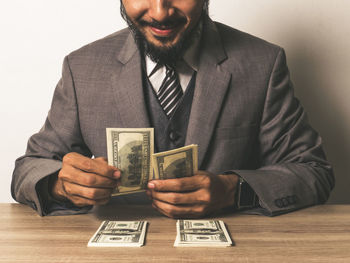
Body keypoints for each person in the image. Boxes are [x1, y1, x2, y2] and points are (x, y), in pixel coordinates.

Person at [12, 0, 334, 217]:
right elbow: (27, 170)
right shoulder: (80, 69)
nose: (160, 12)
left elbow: (314, 173)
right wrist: (59, 183)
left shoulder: (263, 64)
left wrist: (233, 191)